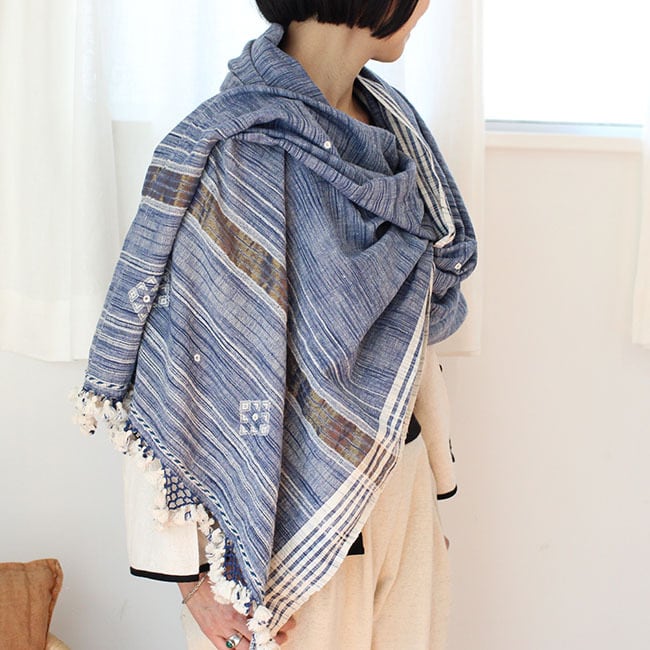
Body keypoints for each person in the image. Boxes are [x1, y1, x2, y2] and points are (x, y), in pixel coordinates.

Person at [74, 1, 477, 649]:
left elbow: (410, 331)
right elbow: (175, 367)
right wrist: (192, 583)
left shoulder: (397, 133)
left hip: (398, 488)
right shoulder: (234, 150)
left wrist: (421, 501)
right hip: (285, 531)